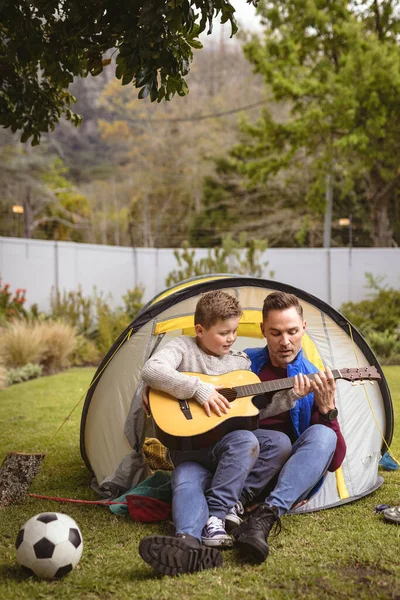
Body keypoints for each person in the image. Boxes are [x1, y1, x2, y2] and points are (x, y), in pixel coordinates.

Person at [138, 290, 313, 576]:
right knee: (185, 478)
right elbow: (152, 369)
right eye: (223, 333)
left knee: (272, 441)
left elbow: (252, 412)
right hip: (189, 446)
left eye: (234, 331)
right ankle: (192, 537)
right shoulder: (181, 347)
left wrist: (291, 395)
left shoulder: (239, 364)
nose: (231, 338)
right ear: (200, 329)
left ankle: (206, 527)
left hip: (226, 444)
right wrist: (198, 389)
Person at [228, 291, 347, 564]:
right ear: (262, 331)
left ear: (303, 328)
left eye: (292, 331)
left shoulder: (314, 376)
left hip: (285, 479)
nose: (285, 342)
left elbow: (334, 460)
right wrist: (154, 385)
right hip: (240, 465)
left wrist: (327, 409)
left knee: (323, 434)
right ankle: (234, 505)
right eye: (276, 333)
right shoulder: (243, 364)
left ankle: (264, 517)